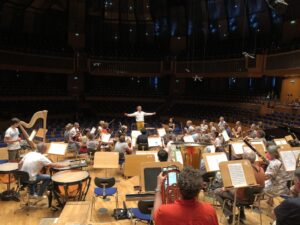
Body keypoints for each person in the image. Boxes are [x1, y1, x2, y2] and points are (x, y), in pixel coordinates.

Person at [153, 167, 219, 225]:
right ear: (199, 189)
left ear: (178, 187)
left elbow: (155, 216)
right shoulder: (209, 211)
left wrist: (159, 186)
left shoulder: (164, 212)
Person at [215, 150, 265, 224]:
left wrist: (225, 188)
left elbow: (232, 185)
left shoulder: (245, 171)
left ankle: (229, 215)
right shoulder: (261, 169)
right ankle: (241, 214)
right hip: (253, 199)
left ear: (244, 159)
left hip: (242, 199)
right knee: (243, 189)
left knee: (217, 192)